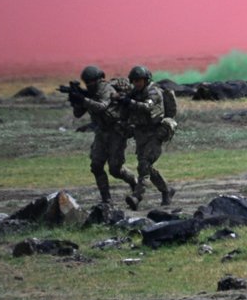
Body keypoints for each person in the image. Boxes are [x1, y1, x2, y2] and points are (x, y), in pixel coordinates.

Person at [68, 65, 138, 205]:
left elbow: (102, 106)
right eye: (86, 83)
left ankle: (134, 181)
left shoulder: (106, 89)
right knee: (96, 166)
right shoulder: (89, 93)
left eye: (91, 82)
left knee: (115, 169)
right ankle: (106, 199)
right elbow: (78, 114)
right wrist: (75, 100)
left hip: (116, 132)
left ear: (99, 79)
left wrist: (83, 100)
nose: (89, 85)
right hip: (101, 132)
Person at [121, 65, 177, 209]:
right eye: (134, 81)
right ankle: (166, 190)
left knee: (144, 165)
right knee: (146, 167)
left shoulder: (154, 91)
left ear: (146, 80)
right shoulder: (134, 92)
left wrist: (130, 102)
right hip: (140, 135)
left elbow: (147, 106)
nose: (137, 83)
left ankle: (137, 197)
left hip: (155, 133)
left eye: (139, 80)